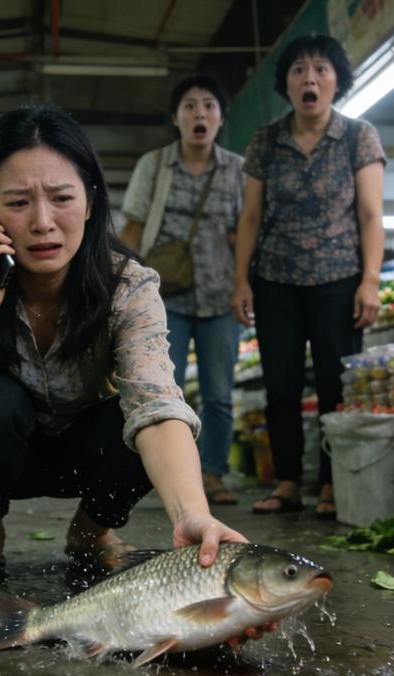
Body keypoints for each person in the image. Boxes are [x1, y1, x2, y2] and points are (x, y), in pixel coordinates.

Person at [0, 105, 248, 590]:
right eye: (17, 203)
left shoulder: (127, 282)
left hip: (84, 456)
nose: (43, 222)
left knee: (147, 420)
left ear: (90, 202)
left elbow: (157, 402)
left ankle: (91, 530)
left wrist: (194, 515)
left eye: (61, 197)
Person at [229, 33, 385, 520]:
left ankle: (333, 485)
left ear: (337, 80)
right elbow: (250, 217)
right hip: (276, 279)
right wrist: (241, 280)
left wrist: (371, 280)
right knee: (281, 385)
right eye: (298, 70)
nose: (309, 78)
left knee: (336, 386)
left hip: (339, 278)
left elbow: (370, 215)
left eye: (321, 68)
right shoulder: (265, 141)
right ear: (287, 83)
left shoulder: (359, 136)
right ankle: (289, 482)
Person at [120, 74, 246, 506]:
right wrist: (123, 288)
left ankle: (212, 475)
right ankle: (157, 475)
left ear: (220, 118)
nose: (200, 113)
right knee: (155, 390)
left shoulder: (237, 170)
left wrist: (245, 285)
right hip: (160, 299)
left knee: (219, 395)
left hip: (220, 298)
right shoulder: (154, 165)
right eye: (190, 105)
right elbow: (132, 228)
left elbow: (243, 234)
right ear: (175, 118)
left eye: (209, 105)